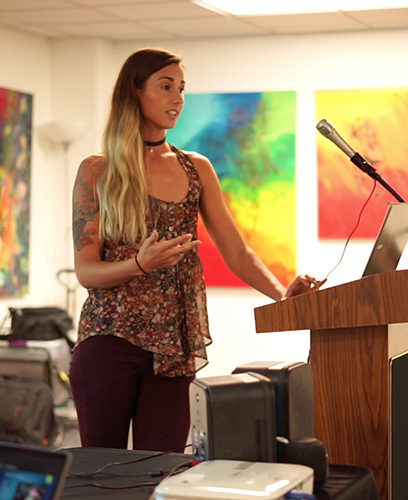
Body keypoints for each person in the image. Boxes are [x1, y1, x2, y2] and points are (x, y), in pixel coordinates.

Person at [68, 47, 324, 453]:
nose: (177, 99)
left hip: (175, 345)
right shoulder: (98, 170)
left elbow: (237, 252)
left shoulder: (195, 167)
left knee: (163, 466)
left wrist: (282, 296)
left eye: (182, 89)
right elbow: (86, 272)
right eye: (166, 87)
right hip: (109, 341)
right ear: (134, 93)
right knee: (102, 472)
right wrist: (138, 263)